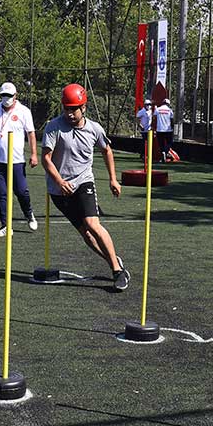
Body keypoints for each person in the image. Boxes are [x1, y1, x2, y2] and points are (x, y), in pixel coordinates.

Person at [41, 83, 129, 291]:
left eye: (74, 109)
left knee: (92, 223)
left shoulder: (94, 129)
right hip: (59, 189)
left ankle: (118, 271)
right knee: (86, 235)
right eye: (66, 108)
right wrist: (60, 182)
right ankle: (113, 260)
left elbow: (107, 151)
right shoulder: (54, 127)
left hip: (83, 182)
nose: (70, 113)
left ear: (84, 107)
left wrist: (113, 179)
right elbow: (46, 158)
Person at [0, 82, 38, 237]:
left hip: (17, 161)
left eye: (9, 96)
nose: (6, 98)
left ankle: (29, 213)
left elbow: (31, 133)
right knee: (2, 193)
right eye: (3, 95)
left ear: (15, 96)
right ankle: (6, 225)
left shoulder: (24, 111)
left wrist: (34, 154)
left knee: (21, 191)